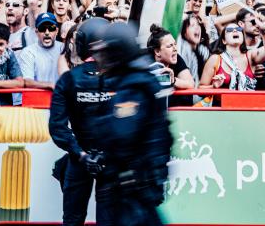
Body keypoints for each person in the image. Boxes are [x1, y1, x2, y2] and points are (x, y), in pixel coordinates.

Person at [92, 22, 173, 226]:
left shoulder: (133, 88)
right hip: (137, 185)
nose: (102, 59)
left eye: (107, 52)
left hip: (132, 186)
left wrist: (101, 123)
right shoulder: (139, 79)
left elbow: (122, 135)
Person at [49, 18, 113, 226]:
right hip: (111, 159)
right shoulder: (120, 78)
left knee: (73, 220)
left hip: (79, 158)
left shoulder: (68, 79)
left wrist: (81, 154)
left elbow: (57, 128)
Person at [146, 25, 196, 107]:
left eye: (175, 44)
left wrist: (172, 80)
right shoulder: (146, 61)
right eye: (170, 46)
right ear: (157, 51)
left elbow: (190, 84)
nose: (175, 49)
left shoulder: (177, 57)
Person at [19, 13, 64, 89]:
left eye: (51, 28)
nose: (47, 32)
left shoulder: (64, 48)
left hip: (60, 97)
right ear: (36, 32)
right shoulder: (28, 52)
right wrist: (50, 85)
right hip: (38, 98)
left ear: (56, 31)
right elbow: (27, 81)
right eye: (42, 28)